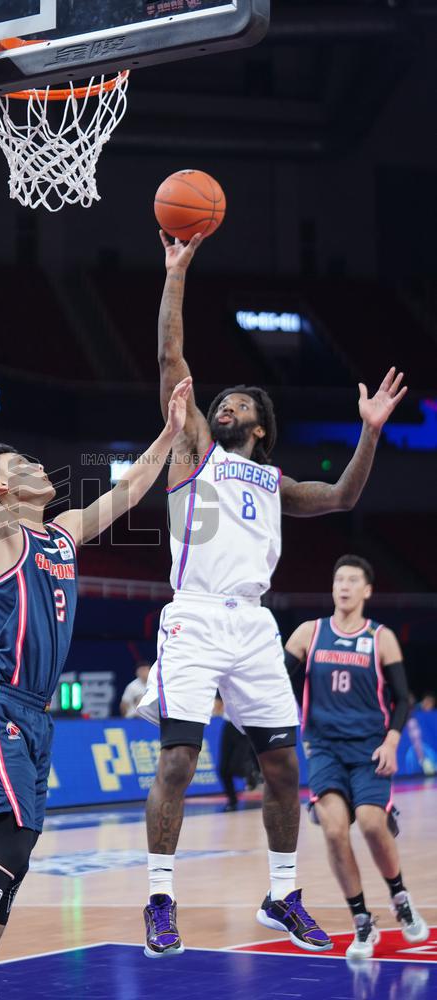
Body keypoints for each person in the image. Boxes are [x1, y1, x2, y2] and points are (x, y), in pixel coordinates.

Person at [136, 230, 407, 958]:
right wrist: (176, 275)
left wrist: (370, 434)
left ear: (257, 424)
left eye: (233, 404)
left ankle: (281, 894)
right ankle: (160, 897)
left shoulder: (275, 483)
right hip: (193, 613)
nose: (219, 406)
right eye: (215, 402)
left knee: (284, 767)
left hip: (253, 626)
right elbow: (170, 361)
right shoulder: (192, 451)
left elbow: (345, 494)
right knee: (179, 762)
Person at [0, 322, 193, 1000]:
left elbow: (129, 491)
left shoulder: (64, 532)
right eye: (21, 467)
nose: (40, 469)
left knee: (20, 856)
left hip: (36, 719)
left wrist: (169, 432)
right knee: (9, 852)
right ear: (3, 489)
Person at [285, 555, 428, 959]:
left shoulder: (380, 637)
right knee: (333, 830)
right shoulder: (308, 633)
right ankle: (362, 921)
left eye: (353, 580)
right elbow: (276, 679)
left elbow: (403, 699)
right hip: (325, 747)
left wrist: (392, 742)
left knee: (369, 822)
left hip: (369, 748)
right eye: (339, 580)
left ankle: (399, 895)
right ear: (332, 589)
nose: (344, 586)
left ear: (367, 591)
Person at [213, 695, 260, 812]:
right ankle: (232, 801)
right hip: (230, 725)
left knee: (236, 766)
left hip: (247, 726)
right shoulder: (222, 679)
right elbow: (217, 706)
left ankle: (253, 773)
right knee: (223, 769)